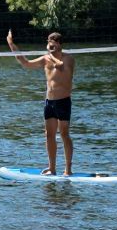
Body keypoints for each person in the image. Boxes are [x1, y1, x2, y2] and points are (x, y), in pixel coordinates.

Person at [7, 29, 76, 175]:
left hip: (63, 101)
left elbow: (61, 66)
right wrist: (11, 44)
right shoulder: (45, 59)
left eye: (54, 44)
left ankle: (68, 170)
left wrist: (51, 54)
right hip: (49, 102)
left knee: (64, 134)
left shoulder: (68, 58)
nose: (51, 46)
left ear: (59, 44)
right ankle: (52, 168)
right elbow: (25, 63)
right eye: (49, 44)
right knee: (49, 135)